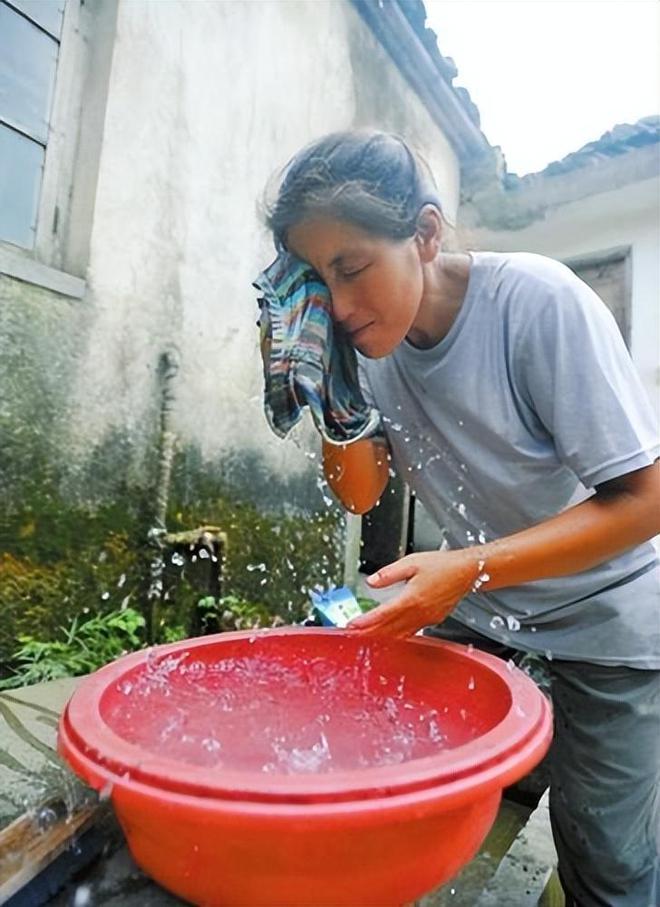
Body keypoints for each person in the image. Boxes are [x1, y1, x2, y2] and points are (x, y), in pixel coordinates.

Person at [260, 130, 660, 906]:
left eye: (352, 268)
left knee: (609, 864)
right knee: (374, 770)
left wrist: (470, 566)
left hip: (609, 621)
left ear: (427, 233)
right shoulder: (361, 342)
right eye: (317, 282)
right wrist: (326, 386)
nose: (337, 305)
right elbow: (359, 494)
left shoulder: (537, 303)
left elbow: (644, 502)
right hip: (482, 608)